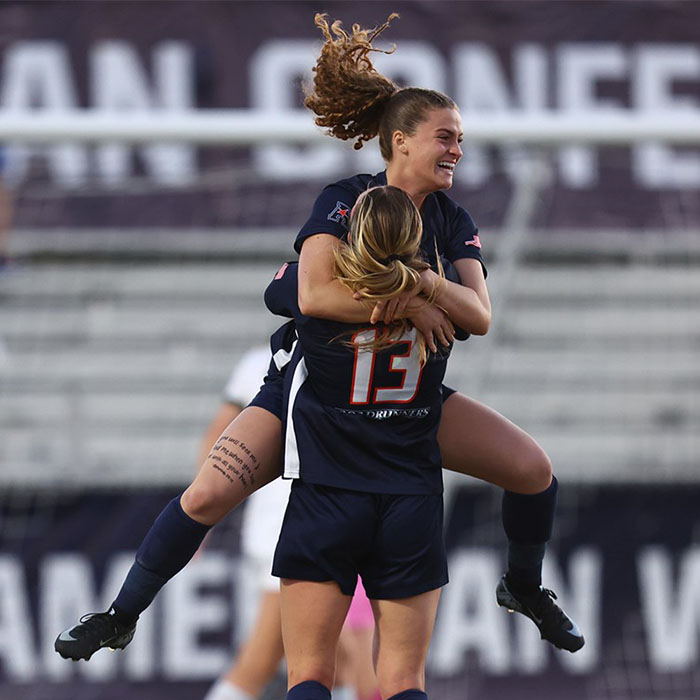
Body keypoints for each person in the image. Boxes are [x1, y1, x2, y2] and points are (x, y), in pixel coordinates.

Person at [54, 11, 583, 664]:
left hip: (404, 403)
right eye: (445, 137)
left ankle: (523, 587)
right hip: (319, 400)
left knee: (533, 471)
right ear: (400, 143)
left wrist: (425, 291)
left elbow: (478, 315)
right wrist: (414, 300)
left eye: (461, 138)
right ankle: (118, 615)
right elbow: (309, 296)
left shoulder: (452, 219)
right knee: (207, 493)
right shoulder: (346, 200)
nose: (457, 150)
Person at [267, 185, 451, 700]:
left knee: (308, 675)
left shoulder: (320, 309)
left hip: (328, 489)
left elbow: (282, 291)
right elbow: (476, 315)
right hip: (409, 493)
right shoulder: (445, 312)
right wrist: (421, 294)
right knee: (403, 681)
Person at [201, 348, 379, 700]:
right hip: (286, 530)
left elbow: (217, 439)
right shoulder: (339, 354)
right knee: (260, 663)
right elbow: (220, 440)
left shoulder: (271, 360)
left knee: (337, 661)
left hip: (308, 527)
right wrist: (202, 514)